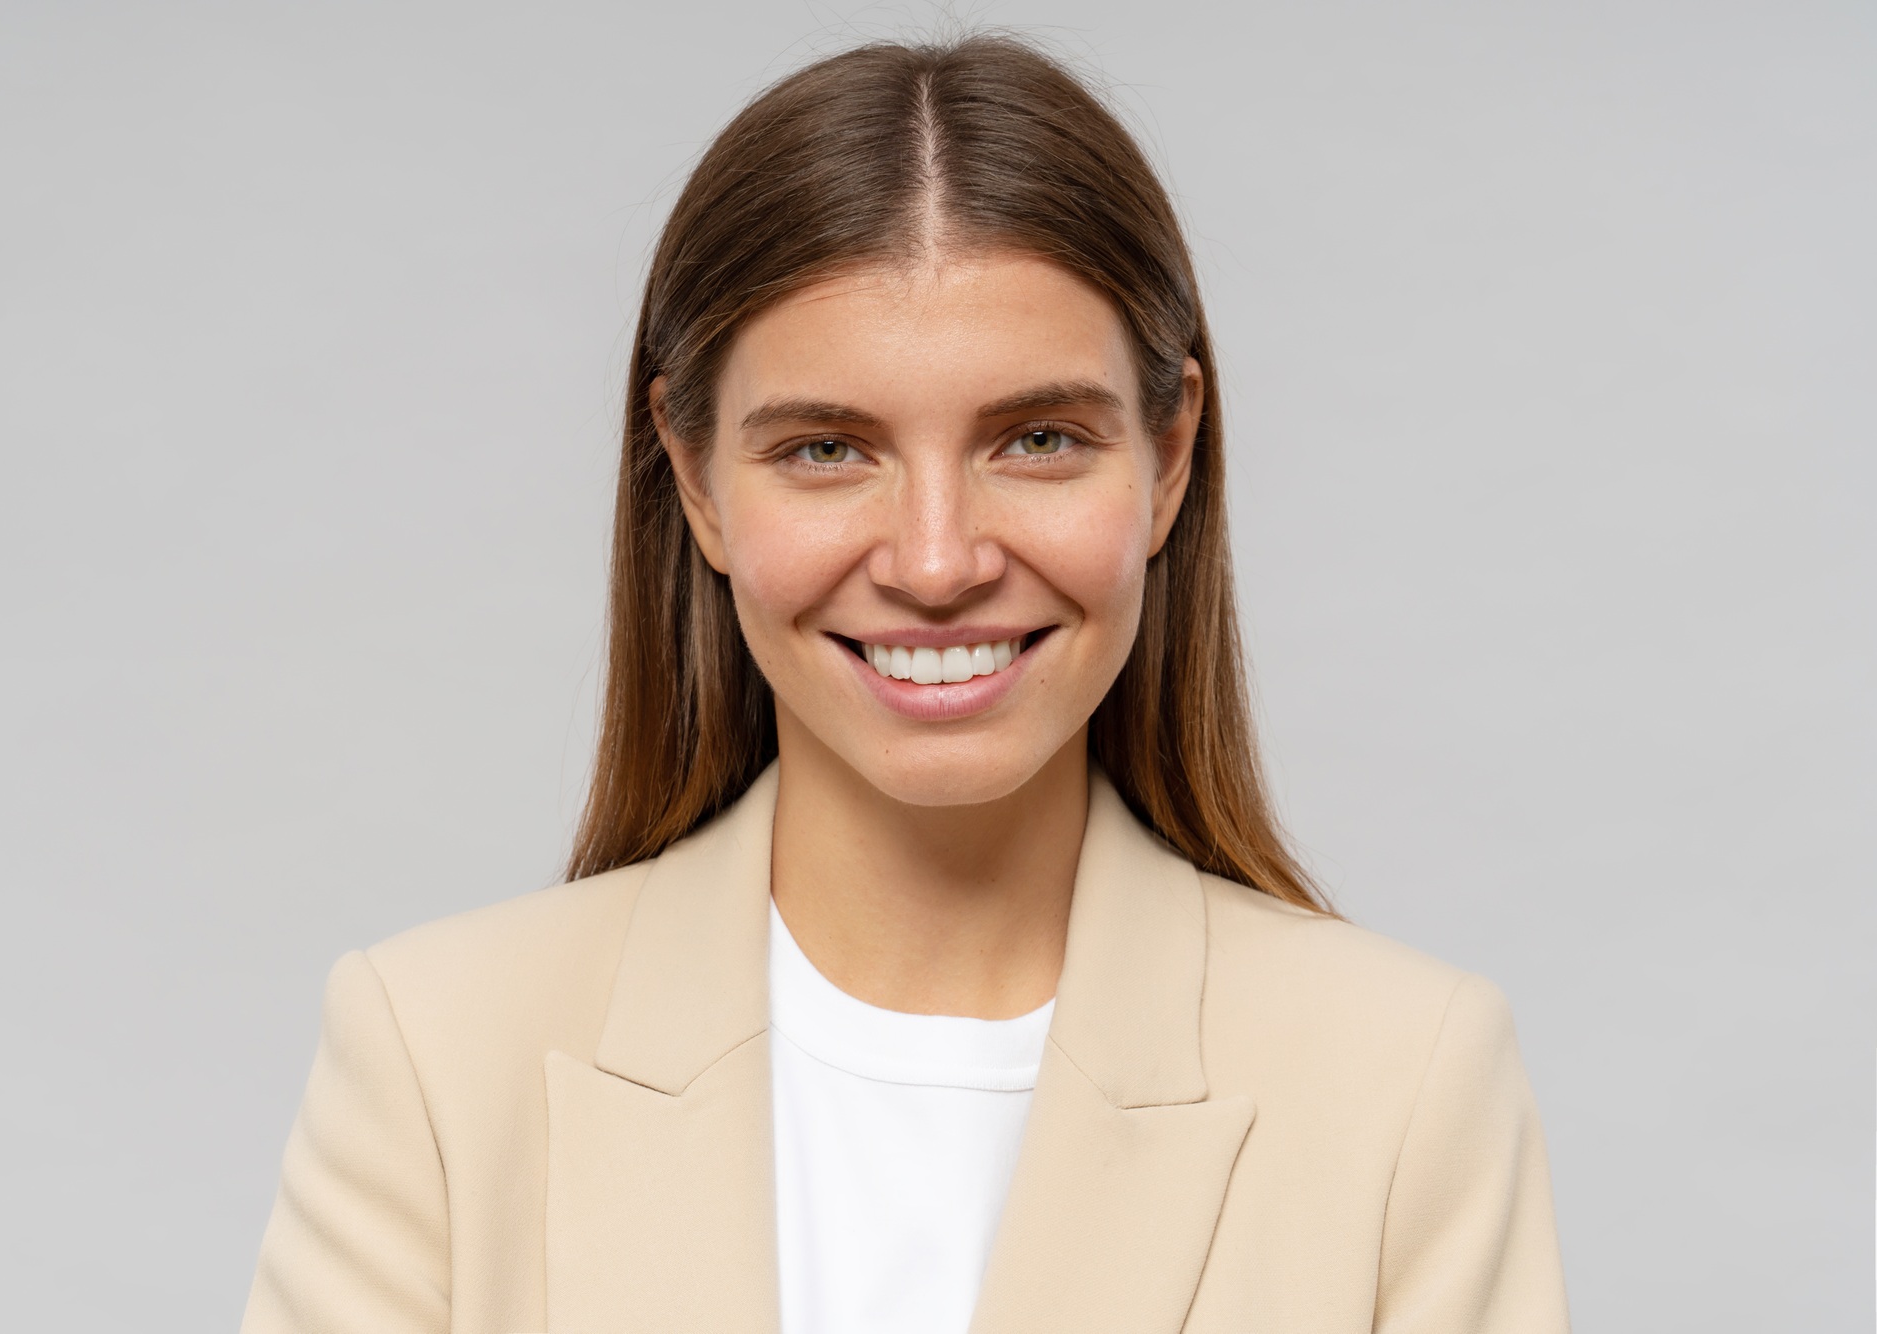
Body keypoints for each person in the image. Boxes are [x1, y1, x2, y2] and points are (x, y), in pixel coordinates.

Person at [239, 34, 1570, 1334]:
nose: (938, 563)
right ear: (695, 479)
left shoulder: (1404, 1082)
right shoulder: (436, 1060)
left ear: (1169, 459)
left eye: (1039, 439)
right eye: (827, 449)